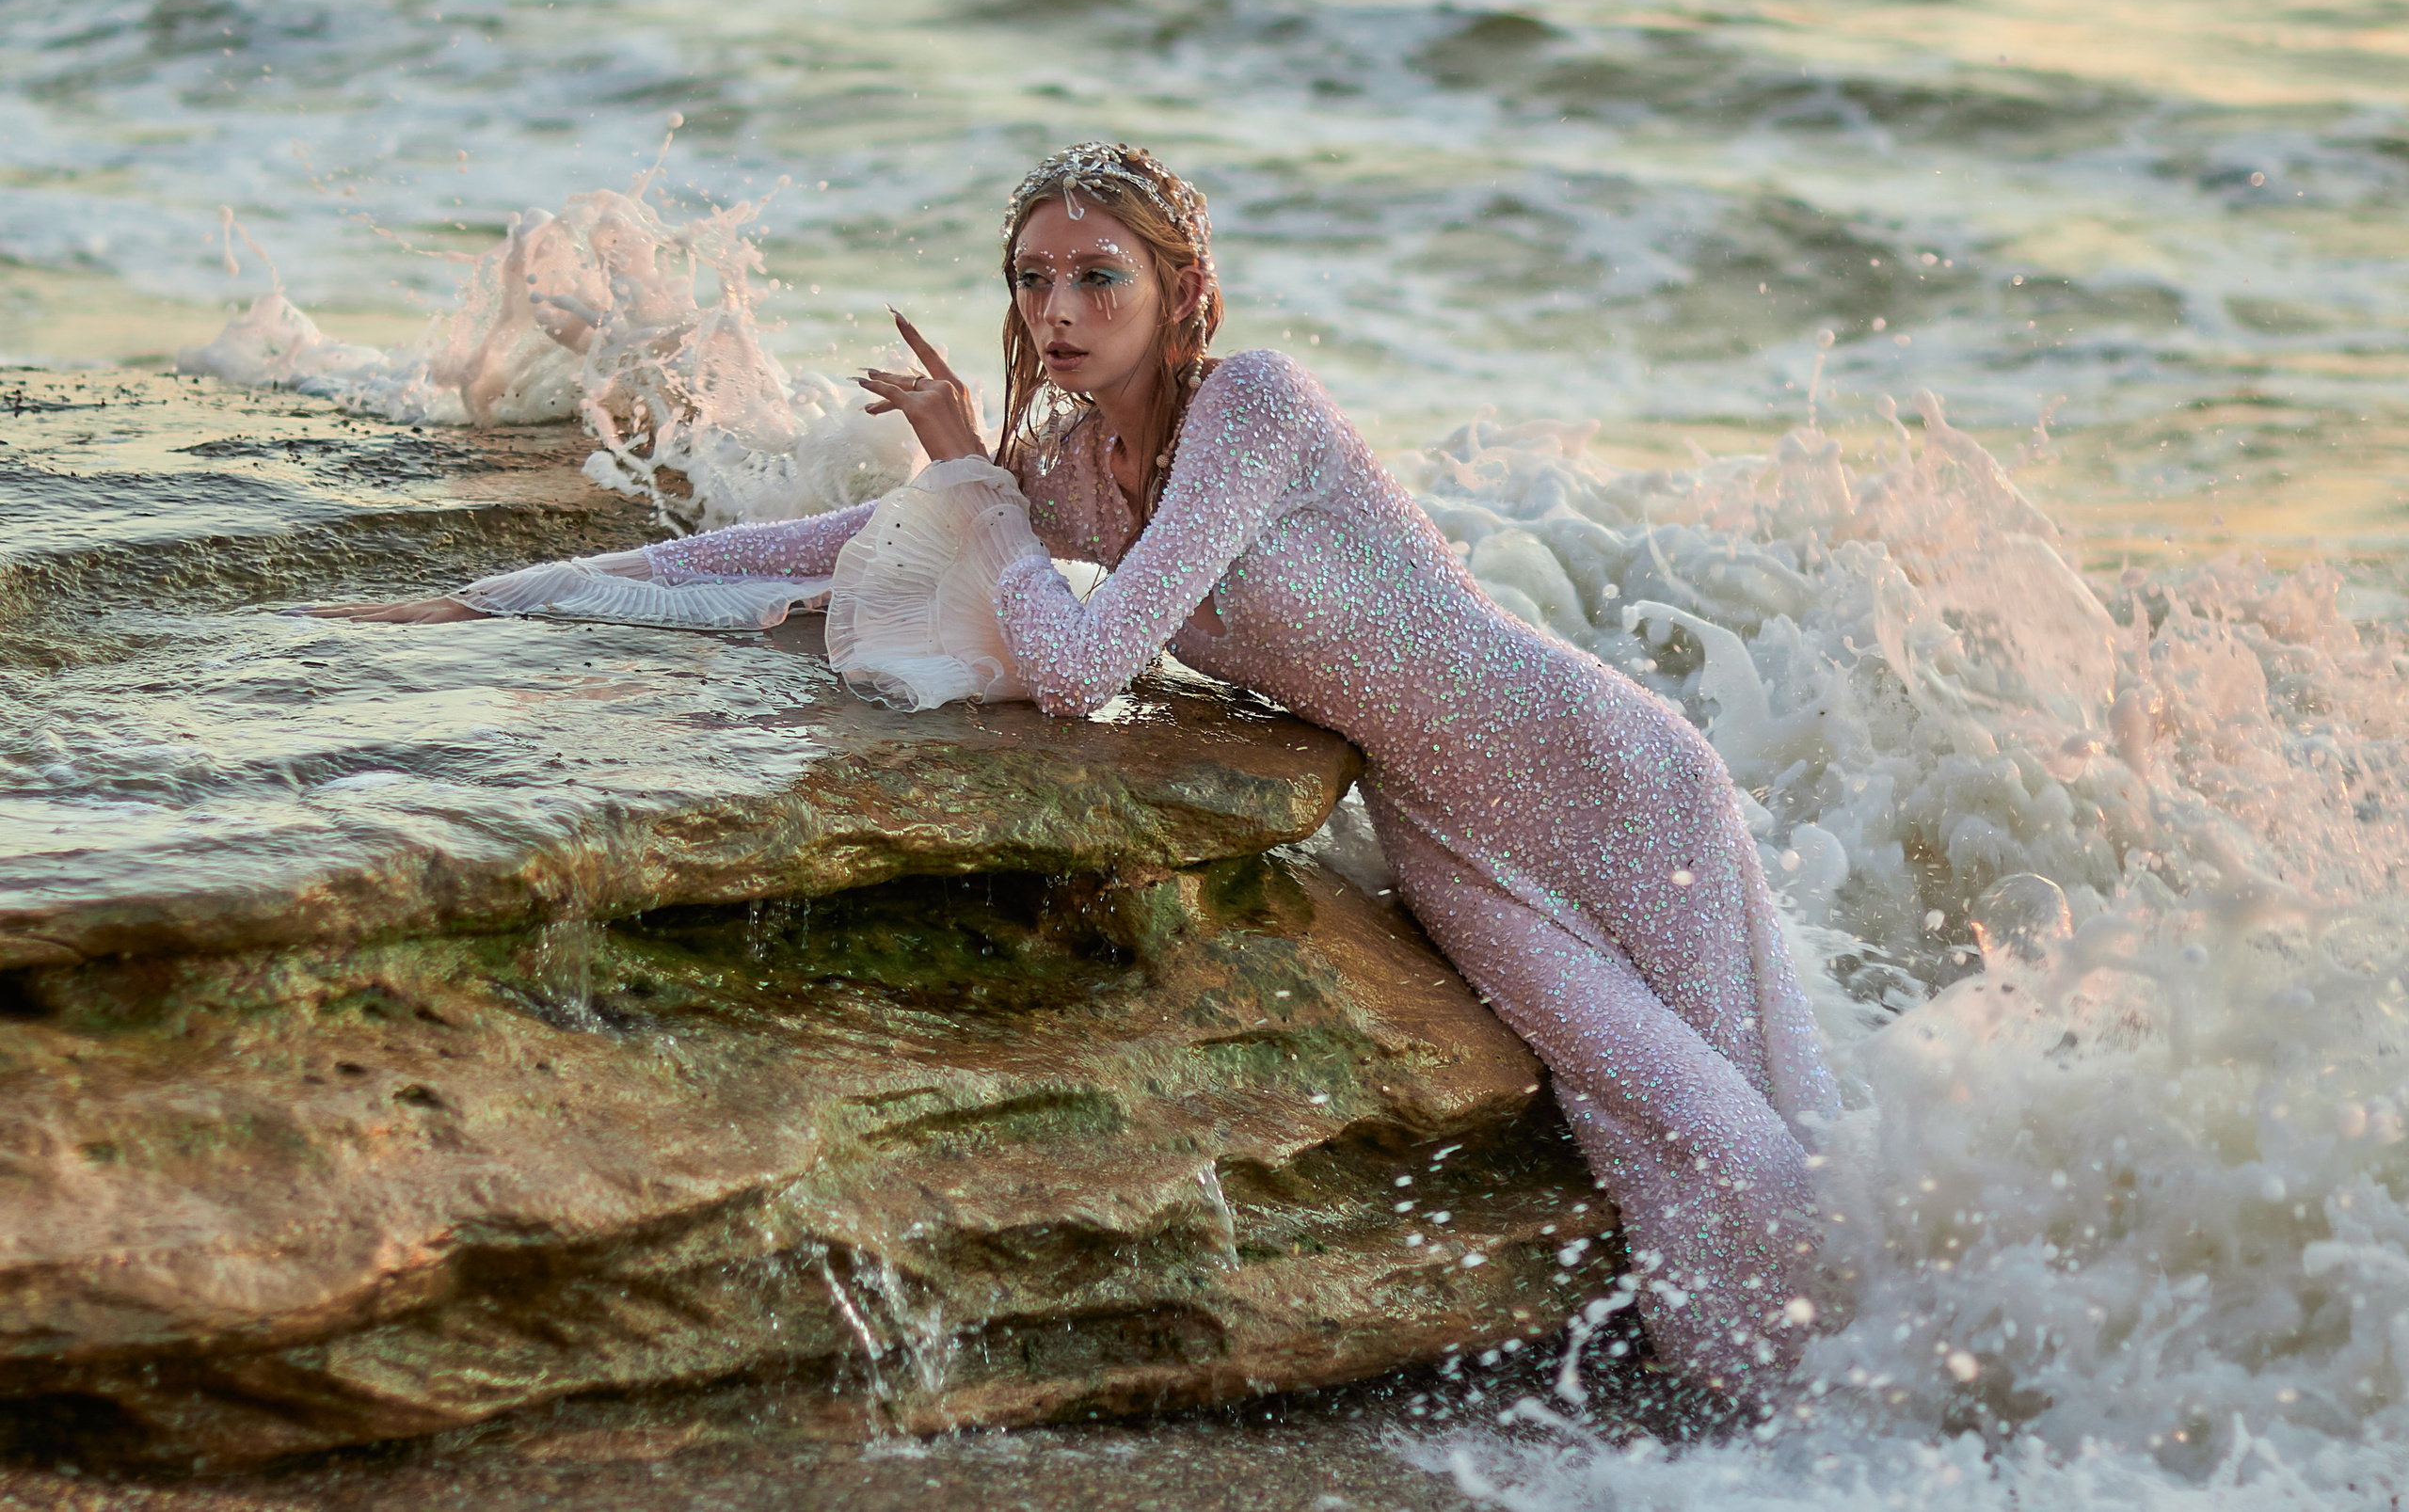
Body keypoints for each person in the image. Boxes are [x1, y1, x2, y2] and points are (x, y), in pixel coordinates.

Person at [315, 142, 1840, 1396]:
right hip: (1440, 826)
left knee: (1746, 1140)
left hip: (1597, 770)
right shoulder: (1059, 472)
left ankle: (1865, 1414)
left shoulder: (1258, 407)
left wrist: (966, 474)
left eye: (1097, 275)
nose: (1058, 307)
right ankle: (1750, 1423)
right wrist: (514, 596)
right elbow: (815, 548)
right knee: (1643, 1121)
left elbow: (1078, 666)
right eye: (1033, 278)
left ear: (1181, 292)